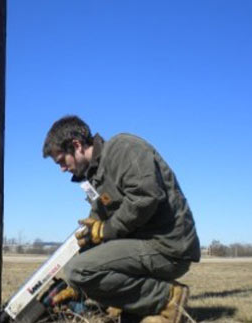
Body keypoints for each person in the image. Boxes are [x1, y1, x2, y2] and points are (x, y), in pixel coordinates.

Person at [42, 115, 200, 323]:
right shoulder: (96, 177)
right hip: (144, 245)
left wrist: (105, 231)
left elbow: (146, 197)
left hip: (168, 246)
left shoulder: (123, 148)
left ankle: (168, 299)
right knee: (78, 269)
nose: (62, 168)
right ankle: (132, 307)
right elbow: (97, 223)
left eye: (62, 160)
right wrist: (77, 285)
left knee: (78, 269)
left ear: (77, 145)